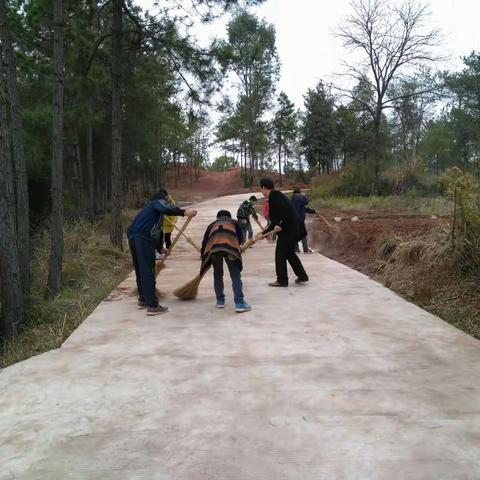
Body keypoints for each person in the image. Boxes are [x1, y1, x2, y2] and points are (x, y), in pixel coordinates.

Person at [127, 189, 197, 316]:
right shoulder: (156, 203)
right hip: (142, 239)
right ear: (162, 198)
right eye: (167, 199)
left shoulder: (149, 212)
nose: (169, 201)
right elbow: (166, 208)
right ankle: (153, 306)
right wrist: (185, 212)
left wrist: (160, 248)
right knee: (148, 271)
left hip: (134, 238)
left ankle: (143, 298)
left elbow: (155, 232)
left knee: (141, 270)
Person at [256, 178, 309, 287]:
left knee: (280, 254)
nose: (261, 191)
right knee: (290, 254)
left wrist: (280, 224)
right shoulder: (277, 195)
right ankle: (302, 276)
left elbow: (282, 216)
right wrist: (265, 232)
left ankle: (282, 280)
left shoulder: (274, 197)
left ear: (264, 188)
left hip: (288, 230)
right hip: (292, 229)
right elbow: (275, 220)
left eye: (260, 189)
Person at [200, 210, 251, 313]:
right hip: (230, 249)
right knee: (235, 275)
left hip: (214, 250)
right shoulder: (234, 222)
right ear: (229, 216)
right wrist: (239, 247)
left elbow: (205, 242)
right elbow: (240, 239)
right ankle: (239, 303)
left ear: (217, 217)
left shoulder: (211, 225)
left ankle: (220, 301)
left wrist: (203, 255)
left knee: (217, 274)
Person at [291, 188, 316, 254]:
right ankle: (305, 249)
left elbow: (303, 208)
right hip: (299, 219)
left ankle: (296, 249)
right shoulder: (298, 198)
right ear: (298, 193)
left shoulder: (293, 199)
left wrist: (313, 211)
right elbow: (306, 202)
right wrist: (304, 196)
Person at [156, 194, 178, 260]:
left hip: (169, 224)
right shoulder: (162, 203)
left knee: (167, 238)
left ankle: (168, 251)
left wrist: (173, 222)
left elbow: (175, 215)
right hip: (162, 224)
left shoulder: (172, 205)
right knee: (159, 238)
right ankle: (159, 252)